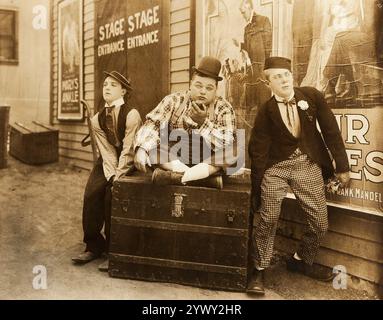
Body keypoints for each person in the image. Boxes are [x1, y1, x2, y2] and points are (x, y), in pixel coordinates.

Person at [247, 56, 350, 295]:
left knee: (320, 221)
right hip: (276, 168)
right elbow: (258, 151)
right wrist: (257, 189)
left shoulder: (311, 97)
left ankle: (300, 260)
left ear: (292, 76)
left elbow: (331, 130)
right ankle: (258, 269)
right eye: (276, 77)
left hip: (307, 163)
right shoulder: (266, 111)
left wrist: (342, 168)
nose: (283, 80)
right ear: (267, 83)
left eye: (286, 75)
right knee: (268, 217)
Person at [72, 71, 142, 271]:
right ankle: (94, 245)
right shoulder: (97, 119)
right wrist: (111, 174)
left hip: (132, 160)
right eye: (105, 85)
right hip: (110, 160)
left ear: (123, 91)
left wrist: (118, 178)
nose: (107, 88)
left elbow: (129, 149)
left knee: (114, 195)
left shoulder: (131, 114)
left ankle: (115, 250)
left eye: (113, 85)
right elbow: (107, 151)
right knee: (92, 193)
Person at [134, 56, 238, 187]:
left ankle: (178, 178)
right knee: (151, 147)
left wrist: (202, 123)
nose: (203, 92)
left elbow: (226, 142)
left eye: (209, 88)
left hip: (207, 160)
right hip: (175, 157)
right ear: (190, 84)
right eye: (198, 85)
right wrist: (142, 148)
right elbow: (153, 124)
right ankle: (197, 178)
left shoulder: (223, 107)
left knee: (233, 150)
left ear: (216, 90)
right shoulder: (174, 100)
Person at [239, 0, 272, 110]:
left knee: (263, 101)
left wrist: (265, 66)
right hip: (252, 71)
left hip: (262, 69)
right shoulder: (246, 28)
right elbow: (248, 50)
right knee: (252, 104)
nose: (242, 16)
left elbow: (268, 46)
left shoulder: (263, 20)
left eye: (243, 12)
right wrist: (241, 47)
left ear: (249, 8)